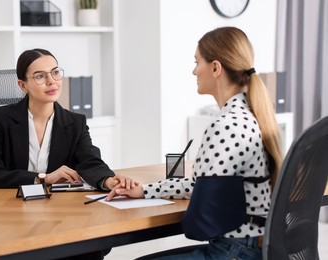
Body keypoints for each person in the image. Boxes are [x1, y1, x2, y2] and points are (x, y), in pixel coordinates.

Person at [106, 27, 283, 260]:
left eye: (197, 62)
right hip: (251, 246)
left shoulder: (225, 125)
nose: (193, 71)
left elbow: (199, 223)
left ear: (216, 68)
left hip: (233, 252)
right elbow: (206, 187)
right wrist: (144, 190)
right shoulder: (250, 115)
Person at [0, 48, 136, 260]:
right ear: (23, 85)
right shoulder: (1, 119)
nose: (52, 81)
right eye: (40, 76)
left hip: (60, 217)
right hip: (12, 218)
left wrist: (108, 181)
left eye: (55, 72)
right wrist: (42, 178)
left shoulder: (75, 122)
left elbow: (89, 160)